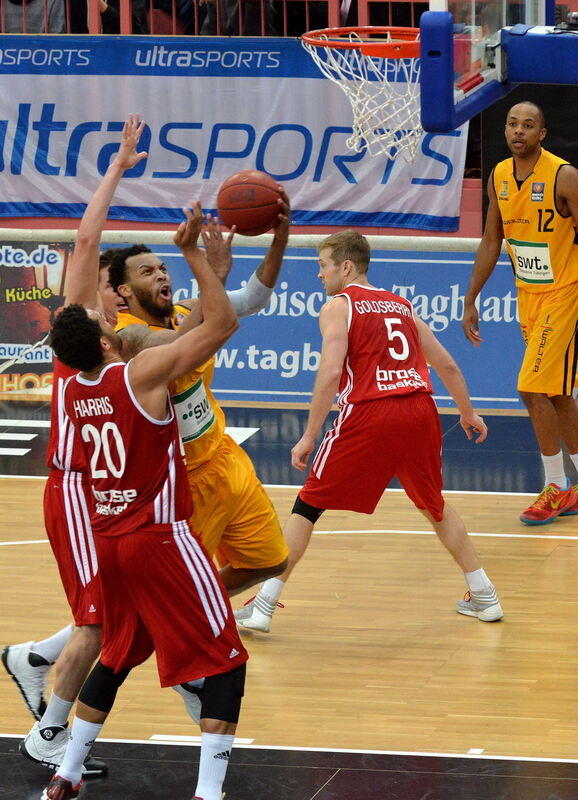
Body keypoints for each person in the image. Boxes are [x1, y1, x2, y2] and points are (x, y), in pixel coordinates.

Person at [41, 203, 247, 800]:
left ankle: (67, 772)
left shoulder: (73, 386)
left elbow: (84, 276)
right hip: (161, 538)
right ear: (108, 338)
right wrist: (196, 259)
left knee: (118, 652)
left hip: (108, 537)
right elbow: (221, 325)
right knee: (226, 661)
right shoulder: (139, 374)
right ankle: (210, 793)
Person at [235, 229, 503, 633]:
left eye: (323, 266)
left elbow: (329, 371)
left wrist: (309, 434)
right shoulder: (401, 305)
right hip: (420, 410)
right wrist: (467, 413)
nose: (319, 275)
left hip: (370, 413)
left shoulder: (339, 306)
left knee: (307, 505)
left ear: (346, 266)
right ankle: (484, 594)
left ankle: (265, 603)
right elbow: (446, 364)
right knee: (434, 505)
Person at [2, 115, 146, 777]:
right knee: (100, 623)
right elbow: (86, 238)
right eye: (100, 290)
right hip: (77, 499)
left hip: (102, 498)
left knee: (114, 613)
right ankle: (48, 733)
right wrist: (115, 167)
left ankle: (34, 659)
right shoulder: (82, 338)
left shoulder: (115, 346)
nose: (105, 293)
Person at [107, 197, 291, 596]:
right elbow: (179, 343)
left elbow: (255, 298)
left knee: (270, 562)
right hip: (179, 481)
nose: (159, 276)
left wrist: (279, 237)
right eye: (147, 272)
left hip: (223, 458)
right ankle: (55, 649)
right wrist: (207, 270)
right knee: (159, 589)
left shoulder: (185, 308)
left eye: (162, 268)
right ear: (125, 290)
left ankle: (197, 610)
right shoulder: (127, 337)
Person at [461, 101, 578, 525]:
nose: (518, 131)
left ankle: (556, 487)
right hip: (529, 297)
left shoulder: (565, 177)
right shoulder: (497, 176)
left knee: (530, 388)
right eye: (512, 124)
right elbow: (492, 242)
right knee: (558, 393)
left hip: (566, 294)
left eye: (529, 125)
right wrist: (471, 298)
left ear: (542, 133)